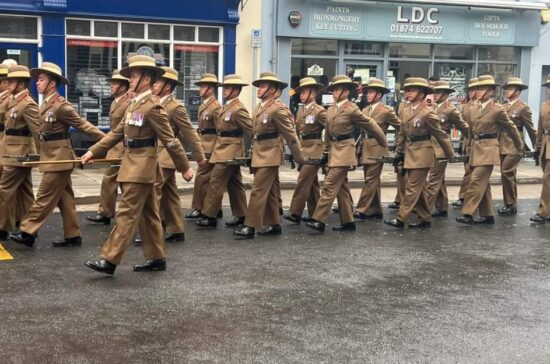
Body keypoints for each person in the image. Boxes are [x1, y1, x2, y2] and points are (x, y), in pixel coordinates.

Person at [82, 55, 193, 275]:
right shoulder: (135, 104)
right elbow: (116, 133)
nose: (129, 79)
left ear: (146, 78)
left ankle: (110, 259)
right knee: (150, 215)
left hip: (141, 167)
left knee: (126, 213)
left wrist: (184, 167)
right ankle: (157, 257)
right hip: (132, 163)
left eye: (133, 75)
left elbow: (170, 139)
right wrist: (93, 151)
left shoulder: (153, 106)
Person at [10, 62, 106, 247]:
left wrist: (108, 142)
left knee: (44, 196)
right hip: (51, 155)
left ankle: (27, 231)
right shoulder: (44, 104)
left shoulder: (62, 106)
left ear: (52, 83)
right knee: (65, 197)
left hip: (60, 158)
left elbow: (84, 126)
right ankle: (73, 235)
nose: (37, 83)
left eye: (41, 79)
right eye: (37, 80)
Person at [305, 74, 386, 233]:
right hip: (334, 151)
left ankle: (318, 219)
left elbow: (370, 124)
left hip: (345, 151)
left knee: (329, 185)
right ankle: (348, 221)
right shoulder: (331, 108)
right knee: (341, 188)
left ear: (346, 91)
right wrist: (326, 153)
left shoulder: (351, 108)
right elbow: (328, 133)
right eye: (333, 89)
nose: (334, 92)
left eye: (337, 89)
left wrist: (383, 141)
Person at [134, 66, 205, 243]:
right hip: (156, 152)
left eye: (158, 81)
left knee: (152, 194)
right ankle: (176, 229)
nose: (155, 84)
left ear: (168, 86)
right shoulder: (153, 102)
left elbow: (190, 133)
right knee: (169, 194)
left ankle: (150, 233)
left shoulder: (175, 107)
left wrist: (199, 157)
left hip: (166, 155)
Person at [233, 72, 304, 238]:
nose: (259, 89)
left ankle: (250, 226)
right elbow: (254, 132)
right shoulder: (259, 107)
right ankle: (274, 224)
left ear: (273, 90)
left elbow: (290, 135)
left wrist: (299, 157)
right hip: (260, 152)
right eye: (259, 86)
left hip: (271, 153)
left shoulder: (278, 109)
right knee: (271, 191)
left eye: (263, 86)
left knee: (258, 189)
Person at [384, 77, 455, 229]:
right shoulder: (406, 110)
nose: (408, 93)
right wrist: (399, 152)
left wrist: (450, 155)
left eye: (412, 90)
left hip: (423, 154)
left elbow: (440, 135)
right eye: (407, 90)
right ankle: (425, 218)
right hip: (410, 152)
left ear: (422, 93)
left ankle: (401, 218)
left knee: (412, 187)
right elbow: (402, 133)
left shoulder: (427, 113)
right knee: (420, 188)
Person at [456, 75, 523, 225]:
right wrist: (467, 146)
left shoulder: (497, 109)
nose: (478, 91)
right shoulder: (473, 108)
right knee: (483, 184)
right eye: (477, 88)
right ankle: (487, 215)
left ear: (491, 91)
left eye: (482, 88)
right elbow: (469, 130)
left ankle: (467, 213)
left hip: (489, 150)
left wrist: (520, 147)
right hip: (475, 148)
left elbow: (511, 129)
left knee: (476, 180)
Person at [195, 74, 252, 228]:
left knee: (215, 181)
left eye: (228, 88)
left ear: (236, 90)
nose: (224, 90)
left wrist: (253, 149)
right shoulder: (227, 106)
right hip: (222, 148)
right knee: (235, 184)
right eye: (224, 87)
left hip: (231, 150)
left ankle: (209, 215)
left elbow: (251, 129)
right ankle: (241, 215)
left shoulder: (239, 109)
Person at [86, 70, 131, 225]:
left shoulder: (128, 104)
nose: (111, 86)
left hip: (124, 148)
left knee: (120, 182)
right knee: (112, 181)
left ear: (124, 87)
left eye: (115, 83)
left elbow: (126, 129)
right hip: (114, 146)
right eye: (111, 83)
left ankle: (112, 214)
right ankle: (107, 212)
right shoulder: (115, 102)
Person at [0, 65, 39, 239]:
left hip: (19, 153)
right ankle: (29, 230)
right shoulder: (13, 101)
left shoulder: (27, 104)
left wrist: (44, 155)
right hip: (11, 151)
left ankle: (3, 227)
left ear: (22, 84)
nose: (7, 83)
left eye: (12, 80)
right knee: (25, 192)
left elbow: (38, 131)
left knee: (4, 189)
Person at [354, 78, 400, 220]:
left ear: (379, 95)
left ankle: (361, 209)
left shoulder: (386, 111)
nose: (367, 95)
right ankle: (376, 209)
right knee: (373, 180)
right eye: (367, 92)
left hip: (378, 148)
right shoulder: (365, 109)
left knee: (370, 180)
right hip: (366, 147)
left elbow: (401, 126)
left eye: (371, 92)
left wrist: (400, 142)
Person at [283, 77, 327, 224]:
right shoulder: (301, 109)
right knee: (312, 183)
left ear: (312, 94)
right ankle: (314, 212)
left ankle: (295, 212)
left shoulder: (320, 111)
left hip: (314, 149)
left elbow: (331, 128)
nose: (300, 95)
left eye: (303, 92)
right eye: (300, 92)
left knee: (302, 180)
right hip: (304, 148)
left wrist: (326, 148)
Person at [423, 80, 469, 217]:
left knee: (433, 181)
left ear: (446, 94)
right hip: (430, 147)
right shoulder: (431, 108)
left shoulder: (451, 110)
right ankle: (442, 207)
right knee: (439, 180)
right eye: (434, 92)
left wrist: (473, 140)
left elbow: (464, 128)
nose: (435, 95)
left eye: (438, 92)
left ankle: (424, 210)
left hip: (442, 149)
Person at [498, 77, 536, 215]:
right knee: (509, 174)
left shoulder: (523, 107)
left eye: (510, 88)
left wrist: (537, 146)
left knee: (506, 171)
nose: (507, 91)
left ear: (518, 91)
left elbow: (531, 129)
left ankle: (509, 203)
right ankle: (511, 203)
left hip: (515, 144)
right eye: (506, 88)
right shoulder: (502, 106)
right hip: (502, 143)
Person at [185, 73, 222, 219]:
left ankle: (199, 208)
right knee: (208, 179)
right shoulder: (205, 105)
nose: (200, 89)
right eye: (200, 86)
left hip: (211, 146)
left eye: (203, 86)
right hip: (204, 143)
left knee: (202, 178)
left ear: (211, 89)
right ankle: (214, 208)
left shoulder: (216, 107)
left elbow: (221, 130)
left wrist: (217, 150)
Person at [452, 77, 479, 208]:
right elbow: (462, 125)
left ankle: (464, 197)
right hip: (467, 140)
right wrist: (462, 142)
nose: (471, 92)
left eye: (474, 89)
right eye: (470, 90)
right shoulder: (465, 106)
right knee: (468, 170)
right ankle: (468, 196)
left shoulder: (484, 106)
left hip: (479, 142)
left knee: (472, 171)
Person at [530, 74, 550, 224]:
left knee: (547, 179)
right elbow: (541, 128)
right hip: (545, 145)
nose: (549, 90)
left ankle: (543, 212)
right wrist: (537, 148)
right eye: (548, 87)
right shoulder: (545, 105)